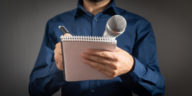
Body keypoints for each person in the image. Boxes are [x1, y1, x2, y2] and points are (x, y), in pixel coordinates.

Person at [29, 0, 165, 96]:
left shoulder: (139, 25)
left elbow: (157, 90)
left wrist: (132, 67)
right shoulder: (55, 24)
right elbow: (35, 90)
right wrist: (59, 68)